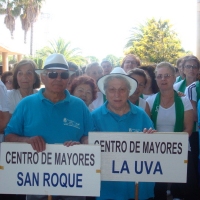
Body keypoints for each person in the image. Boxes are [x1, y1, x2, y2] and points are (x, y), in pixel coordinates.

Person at [5, 53, 94, 200]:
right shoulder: (26, 104)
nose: (58, 78)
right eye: (53, 74)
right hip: (35, 185)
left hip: (74, 186)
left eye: (63, 74)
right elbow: (9, 137)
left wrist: (82, 144)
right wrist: (26, 140)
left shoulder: (80, 106)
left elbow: (91, 137)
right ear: (43, 77)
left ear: (68, 79)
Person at [92, 67, 155, 200]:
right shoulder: (94, 117)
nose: (117, 94)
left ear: (128, 92)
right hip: (107, 190)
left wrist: (152, 138)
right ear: (105, 92)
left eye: (122, 89)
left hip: (138, 188)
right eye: (112, 90)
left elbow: (154, 147)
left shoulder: (141, 115)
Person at [146, 62, 198, 200]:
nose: (163, 79)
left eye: (167, 76)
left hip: (180, 148)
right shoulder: (150, 102)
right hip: (156, 149)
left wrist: (173, 143)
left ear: (174, 77)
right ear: (156, 79)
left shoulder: (183, 100)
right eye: (159, 76)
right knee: (159, 189)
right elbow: (146, 127)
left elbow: (188, 128)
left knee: (188, 189)